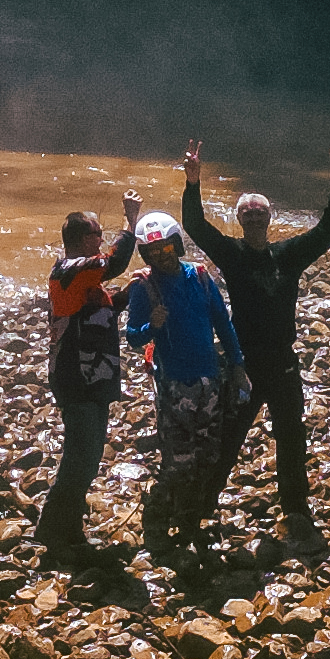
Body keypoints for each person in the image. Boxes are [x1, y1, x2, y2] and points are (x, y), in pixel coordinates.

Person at [178, 141, 330, 561]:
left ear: (270, 219)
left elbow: (329, 231)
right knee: (229, 436)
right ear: (239, 221)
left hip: (283, 362)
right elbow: (196, 226)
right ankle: (200, 508)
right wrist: (193, 182)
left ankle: (295, 510)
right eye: (247, 215)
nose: (254, 219)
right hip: (242, 364)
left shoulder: (287, 256)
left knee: (292, 438)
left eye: (259, 214)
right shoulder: (233, 256)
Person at [118, 211, 246, 576]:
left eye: (165, 247)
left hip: (208, 379)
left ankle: (191, 518)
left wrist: (237, 366)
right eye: (153, 251)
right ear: (145, 254)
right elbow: (133, 337)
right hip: (173, 382)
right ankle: (158, 521)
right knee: (178, 458)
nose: (161, 255)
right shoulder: (144, 287)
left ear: (177, 244)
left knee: (208, 454)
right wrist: (149, 325)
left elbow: (223, 324)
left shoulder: (200, 279)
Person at [37, 191, 142, 573]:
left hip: (94, 376)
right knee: (80, 456)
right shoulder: (69, 270)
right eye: (99, 233)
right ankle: (53, 530)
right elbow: (113, 263)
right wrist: (131, 223)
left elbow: (109, 305)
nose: (102, 239)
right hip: (75, 376)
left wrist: (137, 288)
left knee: (90, 455)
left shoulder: (85, 279)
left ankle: (70, 530)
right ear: (84, 239)